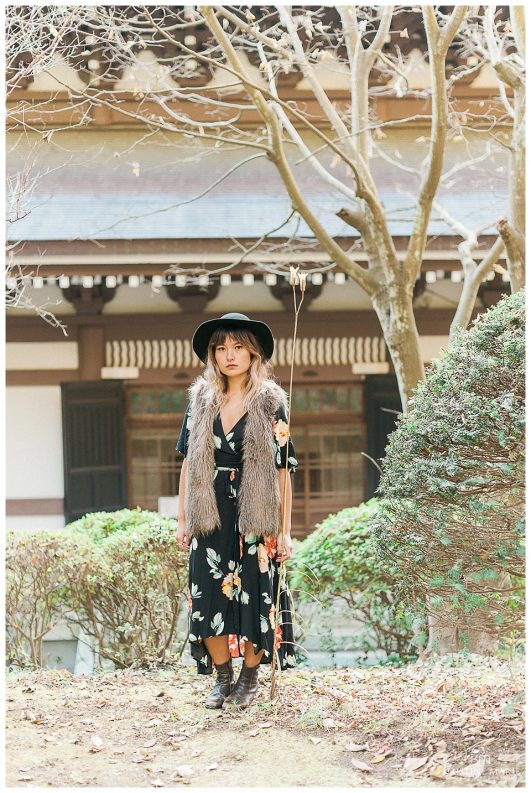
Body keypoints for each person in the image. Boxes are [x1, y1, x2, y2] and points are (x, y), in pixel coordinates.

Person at [175, 312, 299, 710]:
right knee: (205, 595)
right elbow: (188, 462)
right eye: (222, 348)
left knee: (256, 599)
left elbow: (283, 470)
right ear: (213, 355)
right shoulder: (200, 400)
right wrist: (182, 519)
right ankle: (223, 677)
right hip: (208, 511)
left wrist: (283, 530)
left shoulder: (271, 402)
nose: (230, 355)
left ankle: (249, 679)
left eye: (238, 347)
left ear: (253, 352)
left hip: (256, 512)